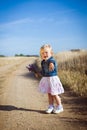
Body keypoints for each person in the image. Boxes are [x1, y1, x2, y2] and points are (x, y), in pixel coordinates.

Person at [39, 44, 64, 114]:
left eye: (46, 52)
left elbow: (52, 62)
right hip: (47, 79)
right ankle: (51, 106)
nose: (44, 54)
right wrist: (37, 73)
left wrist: (51, 64)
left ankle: (60, 106)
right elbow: (43, 71)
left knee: (55, 93)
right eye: (42, 53)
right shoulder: (42, 62)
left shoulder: (51, 60)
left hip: (52, 79)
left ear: (51, 53)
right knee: (49, 93)